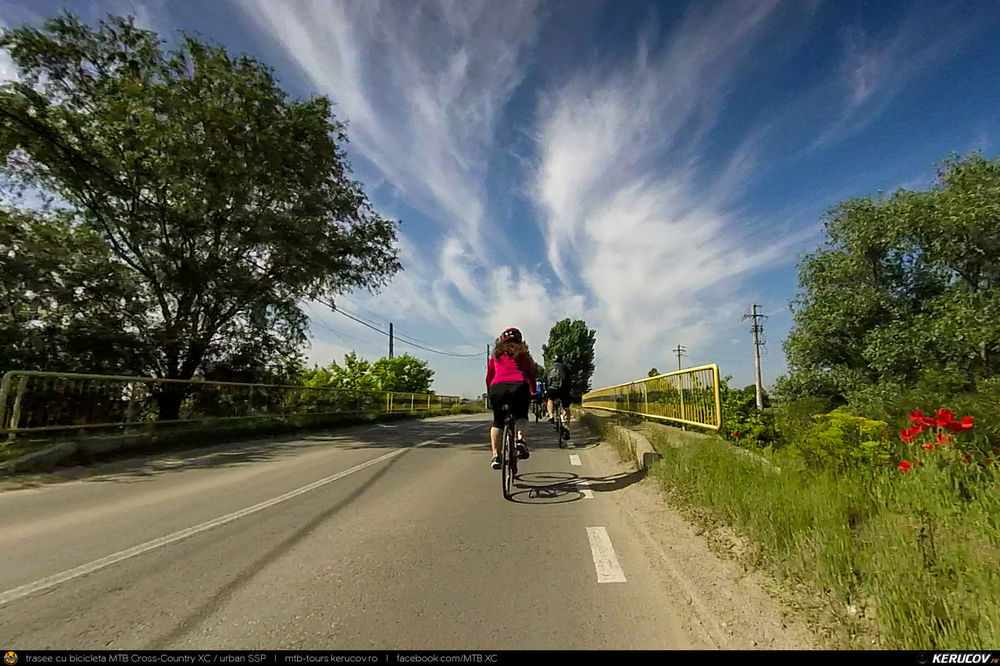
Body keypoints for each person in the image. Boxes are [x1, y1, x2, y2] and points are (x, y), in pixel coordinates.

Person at [485, 327, 537, 470]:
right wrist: (533, 391)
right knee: (521, 416)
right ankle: (520, 440)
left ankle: (496, 455)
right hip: (519, 386)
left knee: (497, 423)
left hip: (498, 388)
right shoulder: (524, 356)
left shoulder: (495, 356)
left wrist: (491, 392)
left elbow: (489, 377)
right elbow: (531, 376)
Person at [545, 355, 572, 437]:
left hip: (552, 389)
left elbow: (545, 378)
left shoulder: (549, 368)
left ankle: (551, 416)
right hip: (563, 390)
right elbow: (569, 380)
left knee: (550, 400)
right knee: (566, 408)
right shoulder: (565, 367)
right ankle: (566, 428)